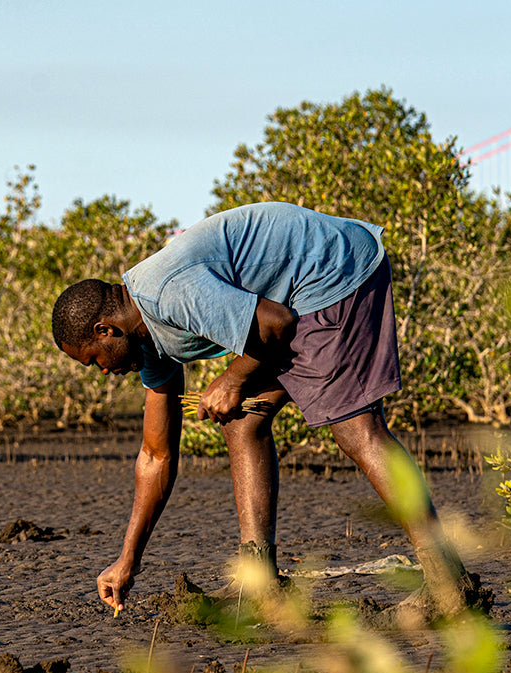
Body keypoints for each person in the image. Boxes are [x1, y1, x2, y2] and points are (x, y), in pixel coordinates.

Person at [51, 201, 484, 626]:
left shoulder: (168, 294)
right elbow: (155, 455)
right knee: (243, 422)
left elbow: (276, 325)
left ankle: (448, 583)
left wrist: (233, 380)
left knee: (357, 430)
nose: (104, 372)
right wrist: (127, 560)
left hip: (333, 275)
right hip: (294, 299)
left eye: (94, 360)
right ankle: (259, 586)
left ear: (105, 330)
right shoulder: (144, 340)